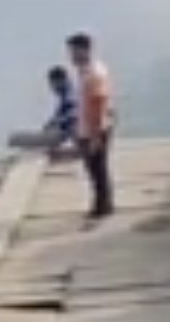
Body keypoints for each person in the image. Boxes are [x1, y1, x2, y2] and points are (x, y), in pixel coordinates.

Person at [67, 33, 117, 221]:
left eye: (74, 52)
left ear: (85, 50)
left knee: (98, 170)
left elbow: (98, 103)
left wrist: (95, 136)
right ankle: (101, 204)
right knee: (94, 169)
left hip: (95, 129)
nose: (71, 57)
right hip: (88, 128)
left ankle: (103, 206)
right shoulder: (85, 71)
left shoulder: (93, 73)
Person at [42, 66, 78, 146]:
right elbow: (59, 115)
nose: (51, 87)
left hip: (77, 132)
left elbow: (73, 114)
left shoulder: (69, 95)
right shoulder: (65, 95)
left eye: (52, 83)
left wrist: (56, 123)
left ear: (60, 81)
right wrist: (51, 124)